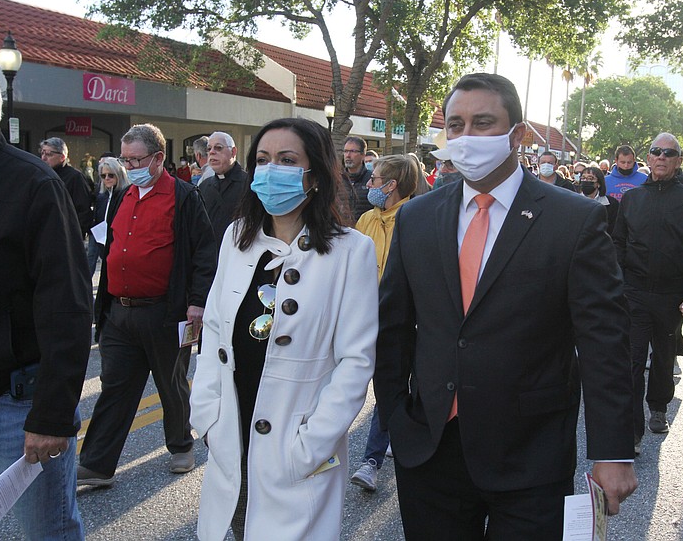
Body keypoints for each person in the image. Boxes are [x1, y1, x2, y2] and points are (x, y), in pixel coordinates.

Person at [375, 73, 636, 539]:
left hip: (531, 453)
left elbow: (604, 342)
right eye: (455, 125)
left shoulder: (573, 219)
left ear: (516, 135)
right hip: (431, 450)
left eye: (482, 123)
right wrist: (396, 415)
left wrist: (612, 452)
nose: (466, 136)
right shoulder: (417, 217)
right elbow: (393, 327)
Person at [190, 118, 377, 540]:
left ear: (315, 174)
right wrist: (207, 418)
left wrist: (310, 445)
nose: (272, 170)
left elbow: (356, 361)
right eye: (262, 160)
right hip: (231, 439)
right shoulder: (237, 237)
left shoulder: (352, 252)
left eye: (287, 160)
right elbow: (215, 331)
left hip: (296, 451)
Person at [0, 61, 90, 539]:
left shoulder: (34, 185)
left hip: (15, 404)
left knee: (49, 532)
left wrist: (52, 414)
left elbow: (67, 307)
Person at [78, 123, 216, 487]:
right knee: (115, 386)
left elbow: (204, 253)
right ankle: (97, 464)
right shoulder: (123, 196)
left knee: (171, 384)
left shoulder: (184, 196)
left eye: (136, 160)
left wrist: (197, 303)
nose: (130, 166)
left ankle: (181, 446)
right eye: (125, 159)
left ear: (158, 158)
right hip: (120, 311)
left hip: (165, 311)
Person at [612, 133, 683, 454]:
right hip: (634, 292)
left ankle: (659, 406)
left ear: (679, 161)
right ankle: (632, 432)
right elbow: (618, 242)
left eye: (669, 153)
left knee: (664, 357)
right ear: (648, 159)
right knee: (633, 361)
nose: (662, 157)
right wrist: (618, 283)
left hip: (671, 295)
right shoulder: (633, 198)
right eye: (656, 152)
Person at [349, 154, 420, 492]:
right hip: (363, 317)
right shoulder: (366, 219)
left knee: (389, 387)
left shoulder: (416, 219)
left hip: (401, 323)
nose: (369, 184)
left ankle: (372, 460)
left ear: (391, 185)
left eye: (374, 179)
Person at [198, 131, 248, 250]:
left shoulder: (249, 185)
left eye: (218, 148)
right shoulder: (204, 186)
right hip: (209, 255)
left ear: (233, 152)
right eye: (209, 149)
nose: (212, 152)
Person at [40, 137, 94, 238]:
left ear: (62, 157)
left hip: (66, 234)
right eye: (42, 153)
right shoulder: (41, 174)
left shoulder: (75, 177)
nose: (43, 158)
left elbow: (83, 209)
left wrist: (76, 235)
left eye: (49, 154)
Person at [88, 157, 129, 276]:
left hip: (119, 244)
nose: (106, 178)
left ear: (119, 175)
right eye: (103, 176)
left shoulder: (126, 196)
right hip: (102, 242)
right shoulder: (102, 196)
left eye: (111, 175)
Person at [579, 165, 619, 234]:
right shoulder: (574, 202)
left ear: (599, 183)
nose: (586, 181)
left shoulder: (612, 204)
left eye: (590, 178)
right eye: (583, 178)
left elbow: (614, 228)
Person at [342, 135, 372, 221]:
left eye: (352, 151)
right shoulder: (336, 179)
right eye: (346, 151)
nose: (348, 155)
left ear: (363, 155)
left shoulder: (372, 179)